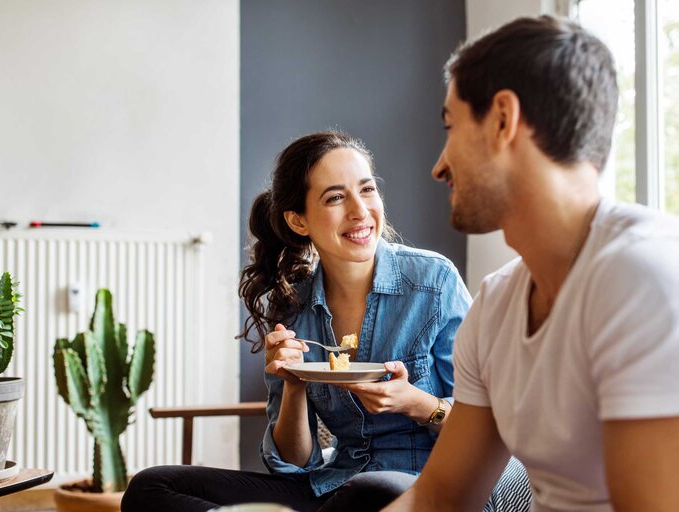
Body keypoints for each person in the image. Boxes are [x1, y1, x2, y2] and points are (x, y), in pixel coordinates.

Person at [121, 131, 531, 512]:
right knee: (152, 487)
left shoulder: (432, 282)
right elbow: (295, 463)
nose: (360, 211)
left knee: (373, 490)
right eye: (335, 198)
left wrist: (417, 403)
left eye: (367, 189)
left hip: (424, 487)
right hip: (335, 487)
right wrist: (293, 384)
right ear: (299, 220)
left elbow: (485, 430)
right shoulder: (292, 305)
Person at [385, 15, 679, 512]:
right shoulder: (497, 303)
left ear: (503, 119)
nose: (438, 165)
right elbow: (438, 497)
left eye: (451, 127)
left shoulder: (643, 278)